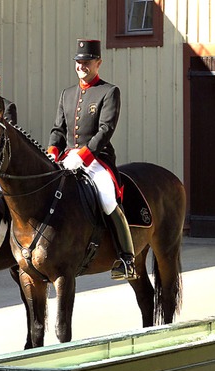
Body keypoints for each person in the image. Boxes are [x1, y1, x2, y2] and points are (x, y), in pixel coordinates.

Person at [46, 39, 137, 281]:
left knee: (107, 198)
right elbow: (58, 129)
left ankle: (127, 258)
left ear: (98, 63)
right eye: (79, 62)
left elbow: (106, 130)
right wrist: (53, 152)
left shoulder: (109, 91)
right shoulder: (67, 94)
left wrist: (84, 155)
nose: (82, 66)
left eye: (87, 62)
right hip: (66, 158)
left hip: (97, 159)